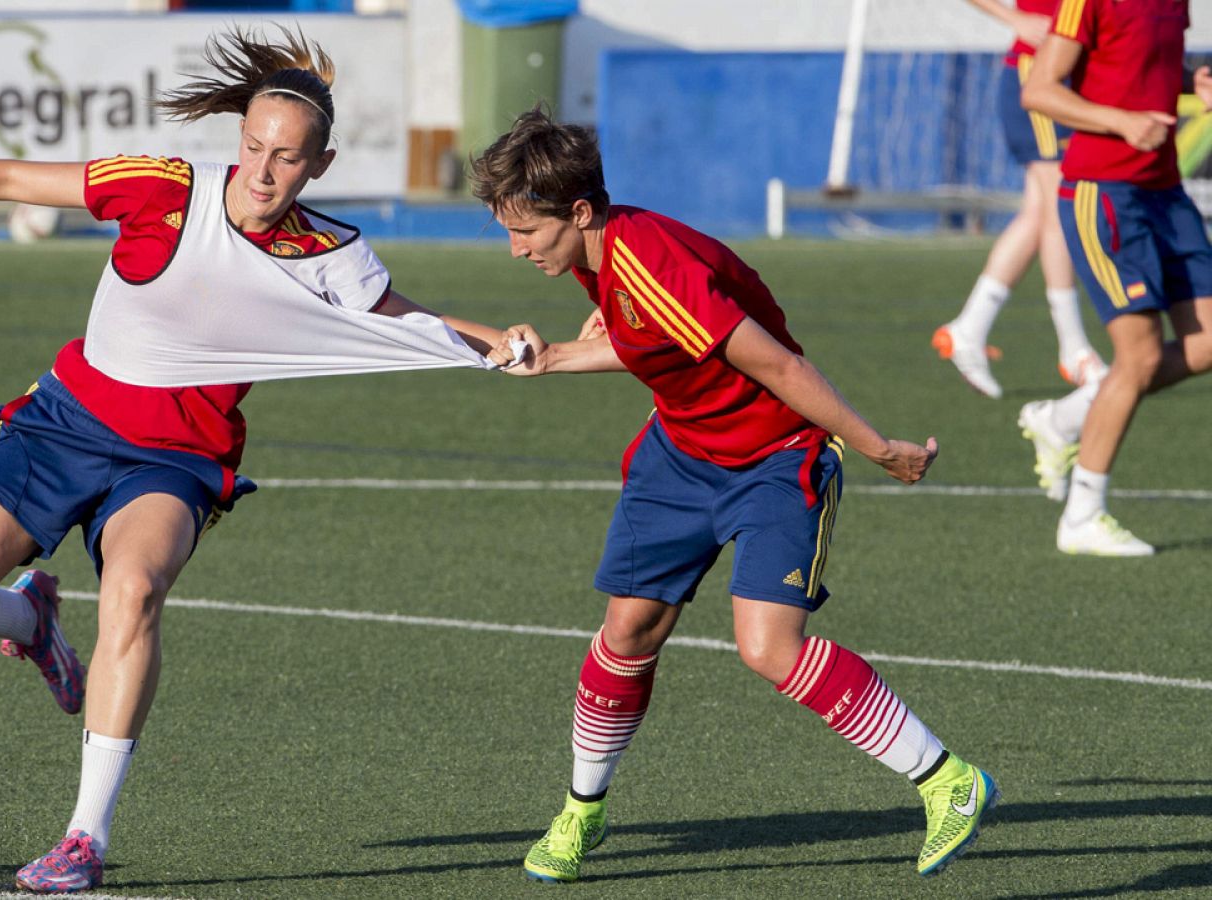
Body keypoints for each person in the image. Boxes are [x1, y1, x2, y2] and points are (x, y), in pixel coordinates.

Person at [0, 28, 509, 894]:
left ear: (318, 166)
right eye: (252, 147)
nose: (263, 171)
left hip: (173, 460)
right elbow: (17, 181)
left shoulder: (331, 256)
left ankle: (82, 840)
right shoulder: (163, 189)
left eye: (287, 158)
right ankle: (28, 622)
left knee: (133, 590)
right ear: (236, 140)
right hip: (60, 426)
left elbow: (404, 320)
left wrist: (500, 343)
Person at [473, 107, 998, 883]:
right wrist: (555, 358)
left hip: (775, 462)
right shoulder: (594, 251)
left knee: (767, 648)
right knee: (627, 632)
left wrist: (877, 445)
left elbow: (780, 366)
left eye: (527, 232)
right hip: (678, 456)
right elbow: (653, 341)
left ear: (579, 210)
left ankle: (949, 781)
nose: (517, 249)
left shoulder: (653, 264)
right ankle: (584, 809)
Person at [1014, 2, 1212, 556]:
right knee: (1140, 356)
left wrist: (1195, 88)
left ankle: (1064, 418)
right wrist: (1122, 122)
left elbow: (1148, 71)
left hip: (1165, 193)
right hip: (1103, 194)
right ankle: (1083, 514)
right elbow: (1041, 90)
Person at [933, 0, 1105, 398]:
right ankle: (1073, 346)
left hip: (1067, 76)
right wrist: (1014, 18)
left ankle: (969, 328)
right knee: (1059, 210)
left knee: (1037, 213)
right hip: (1039, 75)